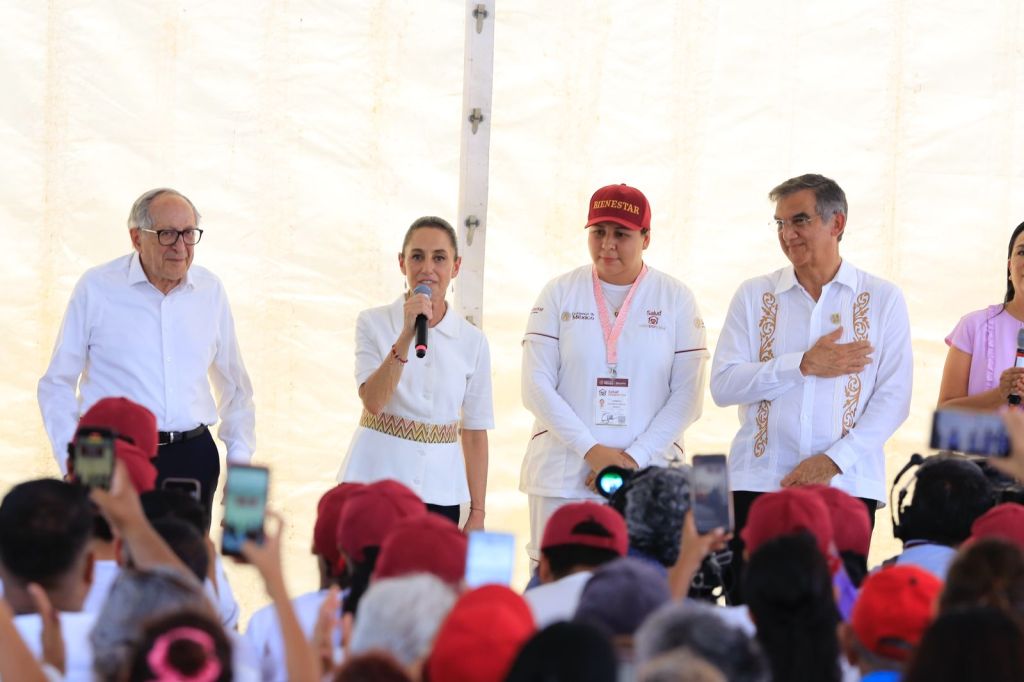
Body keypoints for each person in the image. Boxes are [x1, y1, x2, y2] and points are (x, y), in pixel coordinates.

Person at [711, 173, 913, 602]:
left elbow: (894, 399)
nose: (788, 234)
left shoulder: (881, 298)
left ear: (836, 223)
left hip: (847, 484)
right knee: (750, 612)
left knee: (833, 617)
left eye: (799, 220)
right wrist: (800, 365)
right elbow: (723, 385)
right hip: (760, 483)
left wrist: (833, 461)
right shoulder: (754, 294)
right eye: (780, 224)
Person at [520, 183, 708, 562]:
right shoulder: (558, 293)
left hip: (648, 476)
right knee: (557, 590)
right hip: (563, 474)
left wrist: (631, 459)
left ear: (646, 238)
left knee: (639, 592)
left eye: (621, 234)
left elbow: (688, 396)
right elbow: (535, 386)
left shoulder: (676, 298)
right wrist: (592, 451)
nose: (607, 244)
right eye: (598, 232)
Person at [37, 188, 255, 514]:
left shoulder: (210, 290)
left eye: (188, 234)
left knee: (185, 563)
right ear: (137, 238)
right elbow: (56, 383)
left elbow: (236, 389)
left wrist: (243, 475)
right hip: (108, 455)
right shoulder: (97, 287)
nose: (180, 247)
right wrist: (74, 466)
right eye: (166, 234)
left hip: (192, 456)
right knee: (107, 561)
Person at [337, 216, 493, 528]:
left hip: (441, 493)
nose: (428, 268)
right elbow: (373, 401)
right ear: (402, 263)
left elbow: (476, 431)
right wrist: (407, 334)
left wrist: (478, 512)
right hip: (373, 483)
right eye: (417, 256)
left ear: (456, 266)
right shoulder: (374, 323)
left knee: (432, 577)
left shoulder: (472, 342)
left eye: (439, 258)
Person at [939, 220, 1024, 409]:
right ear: (1010, 268)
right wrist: (998, 395)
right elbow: (945, 412)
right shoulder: (973, 326)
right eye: (1022, 252)